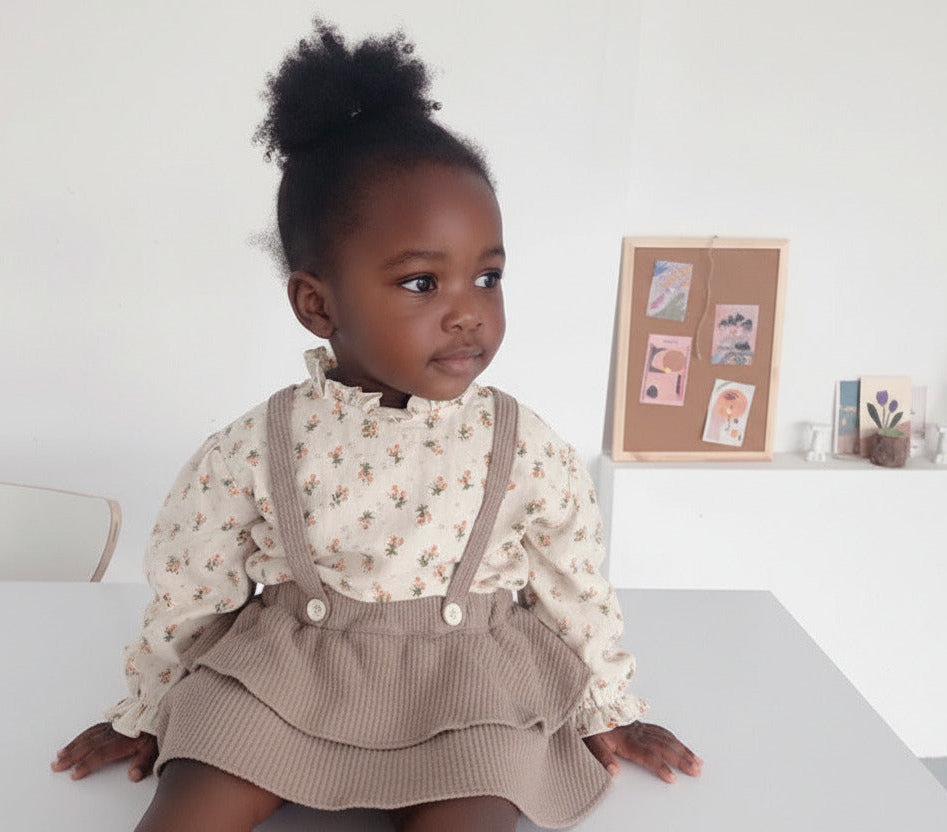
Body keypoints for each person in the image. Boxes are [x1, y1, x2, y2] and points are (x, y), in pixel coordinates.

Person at [52, 20, 701, 832]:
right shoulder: (257, 445)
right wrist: (143, 708)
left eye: (488, 275)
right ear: (317, 303)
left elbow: (573, 582)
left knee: (475, 814)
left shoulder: (522, 444)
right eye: (423, 281)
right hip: (290, 674)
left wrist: (610, 707)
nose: (468, 312)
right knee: (185, 810)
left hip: (465, 686)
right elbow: (194, 587)